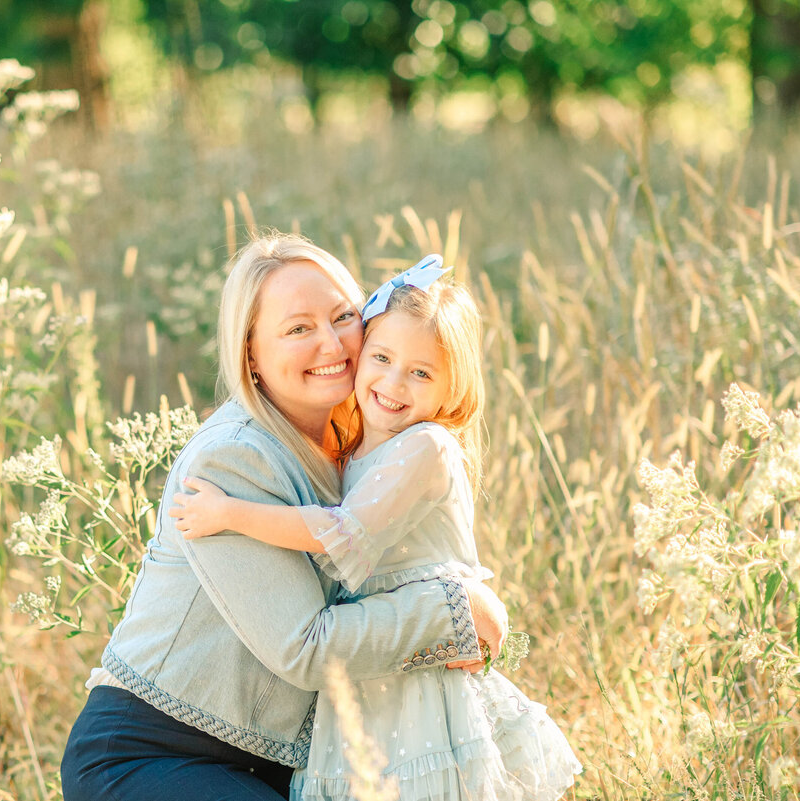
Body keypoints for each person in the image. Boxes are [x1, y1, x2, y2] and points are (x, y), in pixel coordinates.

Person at [60, 235, 509, 801]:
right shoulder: (233, 457)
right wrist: (454, 614)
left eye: (343, 317)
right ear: (250, 353)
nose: (331, 343)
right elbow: (307, 648)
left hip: (272, 759)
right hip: (154, 753)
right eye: (298, 329)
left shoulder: (361, 443)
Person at [170, 255, 582, 801]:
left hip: (419, 676)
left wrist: (231, 514)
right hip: (376, 676)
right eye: (382, 357)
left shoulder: (424, 446)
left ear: (451, 388)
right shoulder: (356, 446)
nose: (393, 382)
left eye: (421, 372)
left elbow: (341, 532)